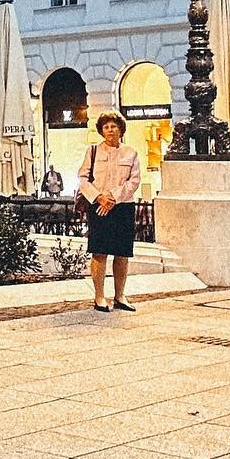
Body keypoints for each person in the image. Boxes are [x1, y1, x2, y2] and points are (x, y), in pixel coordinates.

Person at [76, 110, 142, 313]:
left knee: (122, 253)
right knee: (100, 252)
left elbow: (134, 181)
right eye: (106, 127)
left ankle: (120, 296)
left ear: (120, 129)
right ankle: (99, 297)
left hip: (122, 206)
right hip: (99, 205)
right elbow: (83, 178)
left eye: (113, 126)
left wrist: (113, 197)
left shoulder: (131, 153)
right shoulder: (93, 151)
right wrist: (99, 198)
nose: (110, 130)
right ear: (101, 130)